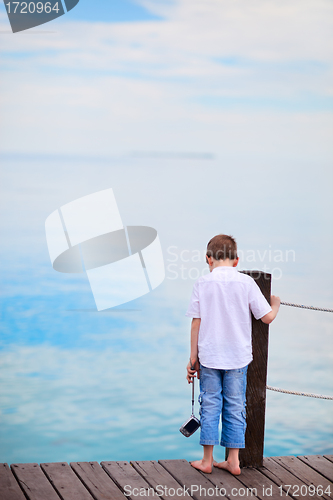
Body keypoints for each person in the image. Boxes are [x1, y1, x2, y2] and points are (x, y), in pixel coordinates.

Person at [185, 234, 280, 475]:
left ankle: (207, 460)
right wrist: (275, 304)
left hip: (209, 357)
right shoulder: (247, 283)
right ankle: (234, 461)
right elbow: (266, 317)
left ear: (208, 259)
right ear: (236, 261)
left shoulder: (202, 283)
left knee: (210, 404)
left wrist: (192, 358)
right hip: (238, 358)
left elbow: (196, 324)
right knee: (236, 406)